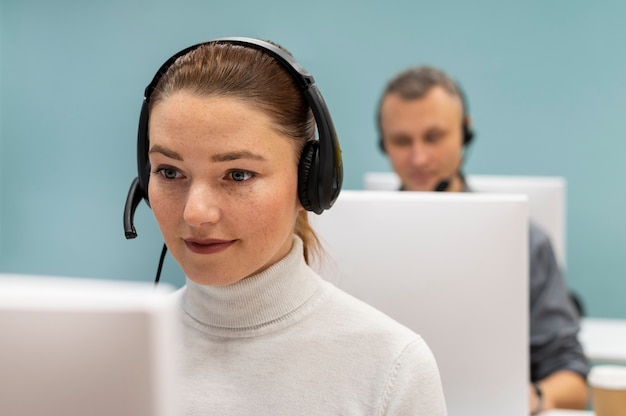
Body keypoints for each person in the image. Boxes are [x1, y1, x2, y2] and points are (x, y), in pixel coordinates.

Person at [123, 38, 447, 415]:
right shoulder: (113, 358)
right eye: (169, 172)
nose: (196, 213)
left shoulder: (391, 367)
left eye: (237, 174)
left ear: (310, 182)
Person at [376, 65, 589, 414]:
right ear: (383, 144)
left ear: (465, 134)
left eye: (433, 137)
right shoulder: (352, 238)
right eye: (401, 141)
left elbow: (573, 382)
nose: (419, 158)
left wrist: (533, 397)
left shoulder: (526, 241)